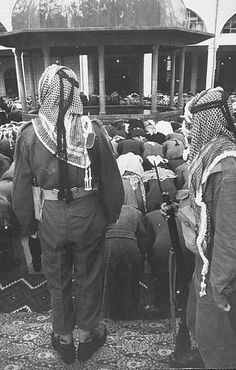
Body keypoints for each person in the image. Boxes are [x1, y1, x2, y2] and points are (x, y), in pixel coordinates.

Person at [12, 64, 124, 365]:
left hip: (50, 216)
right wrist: (109, 215)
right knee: (89, 276)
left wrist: (30, 224)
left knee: (57, 277)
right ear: (75, 93)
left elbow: (20, 188)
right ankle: (88, 337)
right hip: (87, 213)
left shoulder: (29, 134)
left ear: (45, 92)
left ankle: (63, 338)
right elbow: (112, 182)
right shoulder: (93, 130)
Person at [182, 87, 236, 368]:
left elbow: (230, 236)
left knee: (216, 342)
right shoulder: (211, 159)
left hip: (218, 274)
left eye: (192, 125)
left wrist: (218, 287)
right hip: (204, 265)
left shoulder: (227, 167)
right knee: (198, 326)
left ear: (207, 121)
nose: (188, 132)